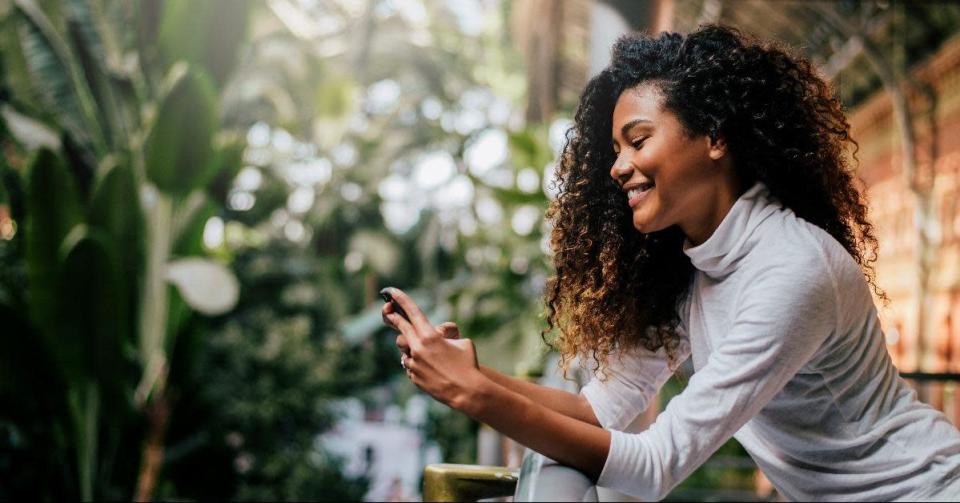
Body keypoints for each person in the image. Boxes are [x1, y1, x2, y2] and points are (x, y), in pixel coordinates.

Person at [380, 25, 960, 501]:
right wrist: (476, 375)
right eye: (615, 151)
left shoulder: (791, 267)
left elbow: (657, 463)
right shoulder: (696, 266)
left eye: (638, 140)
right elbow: (595, 411)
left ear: (713, 136)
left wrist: (476, 398)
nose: (618, 167)